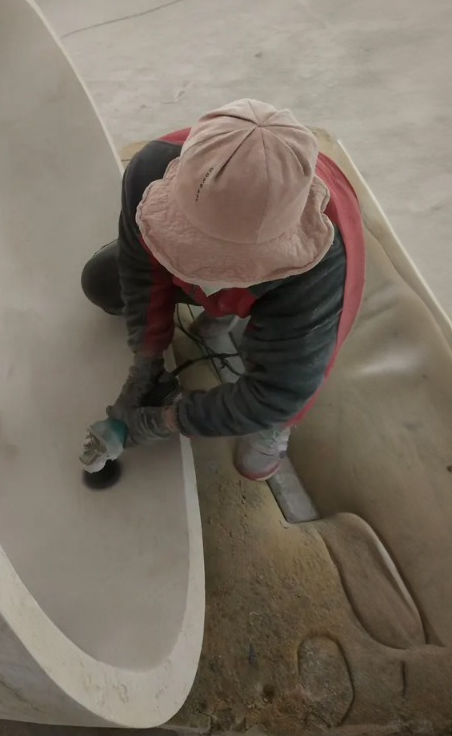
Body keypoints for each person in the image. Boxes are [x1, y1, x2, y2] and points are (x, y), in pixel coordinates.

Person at [81, 99, 365, 480]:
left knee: (289, 389)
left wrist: (166, 419)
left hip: (294, 284)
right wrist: (147, 356)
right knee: (101, 282)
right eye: (190, 251)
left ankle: (275, 431)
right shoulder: (151, 168)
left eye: (221, 265)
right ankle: (217, 315)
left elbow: (276, 392)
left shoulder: (324, 266)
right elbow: (138, 269)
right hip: (253, 274)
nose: (204, 275)